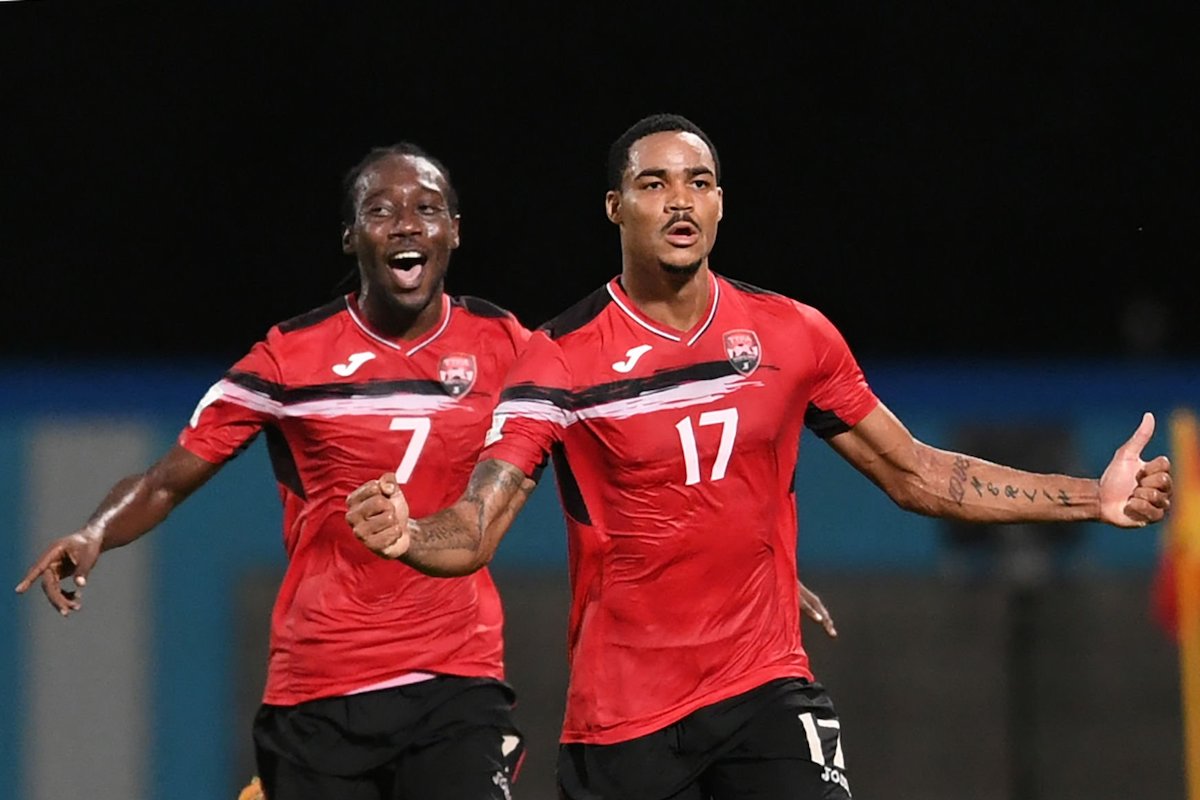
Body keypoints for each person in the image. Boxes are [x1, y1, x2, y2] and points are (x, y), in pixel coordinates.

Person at [344, 113, 1174, 800]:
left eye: (698, 183)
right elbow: (480, 524)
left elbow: (915, 472)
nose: (680, 201)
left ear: (720, 206)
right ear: (613, 208)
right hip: (625, 722)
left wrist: (1091, 497)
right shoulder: (560, 358)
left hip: (763, 690)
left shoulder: (792, 336)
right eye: (654, 183)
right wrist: (412, 535)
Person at [14, 139, 839, 800]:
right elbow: (167, 478)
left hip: (458, 681)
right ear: (353, 237)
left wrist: (728, 558)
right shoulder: (288, 358)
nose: (407, 223)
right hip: (318, 682)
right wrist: (93, 534)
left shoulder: (510, 345)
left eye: (429, 209)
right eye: (382, 209)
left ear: (454, 233)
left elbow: (617, 447)